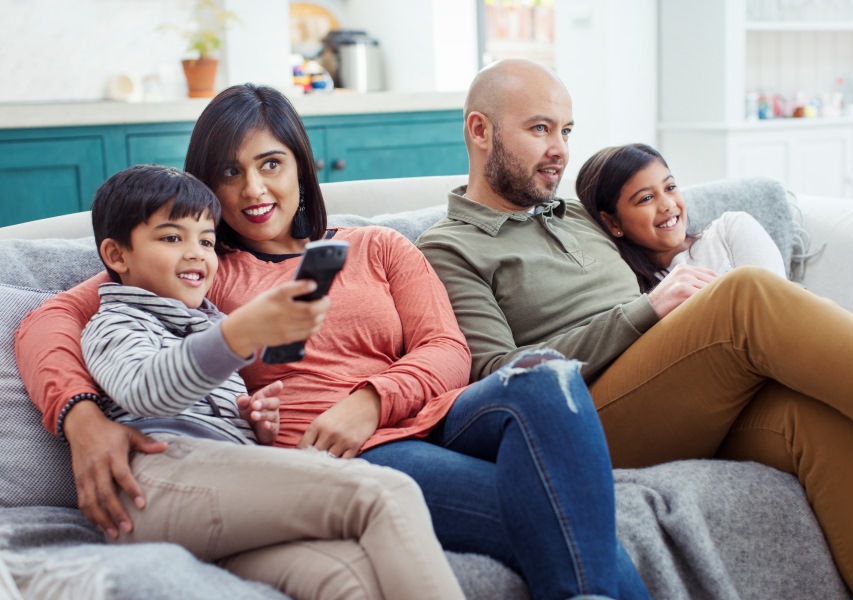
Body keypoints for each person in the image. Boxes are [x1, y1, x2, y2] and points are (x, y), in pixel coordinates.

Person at [15, 84, 651, 600]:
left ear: (300, 167)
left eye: (270, 164)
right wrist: (79, 415)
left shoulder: (376, 245)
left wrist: (371, 399)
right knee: (560, 513)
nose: (253, 191)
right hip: (346, 454)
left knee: (547, 376)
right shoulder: (199, 266)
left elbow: (447, 349)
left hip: (423, 415)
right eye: (229, 172)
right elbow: (49, 321)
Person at [415, 58, 853, 600]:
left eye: (566, 130)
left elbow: (660, 224)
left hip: (671, 390)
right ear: (480, 130)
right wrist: (645, 311)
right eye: (539, 129)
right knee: (742, 296)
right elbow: (497, 374)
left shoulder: (574, 213)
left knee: (821, 422)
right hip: (582, 418)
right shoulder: (448, 247)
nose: (560, 149)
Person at [80, 163, 465, 600]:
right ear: (116, 256)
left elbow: (204, 407)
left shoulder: (207, 323)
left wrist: (254, 423)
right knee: (385, 492)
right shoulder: (114, 323)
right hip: (154, 487)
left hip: (217, 499)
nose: (196, 253)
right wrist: (238, 334)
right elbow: (148, 389)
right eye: (172, 238)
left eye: (206, 240)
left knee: (349, 579)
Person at [576, 143, 786, 292]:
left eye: (670, 187)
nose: (668, 204)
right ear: (612, 222)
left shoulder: (731, 230)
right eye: (646, 198)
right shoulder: (638, 295)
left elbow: (779, 303)